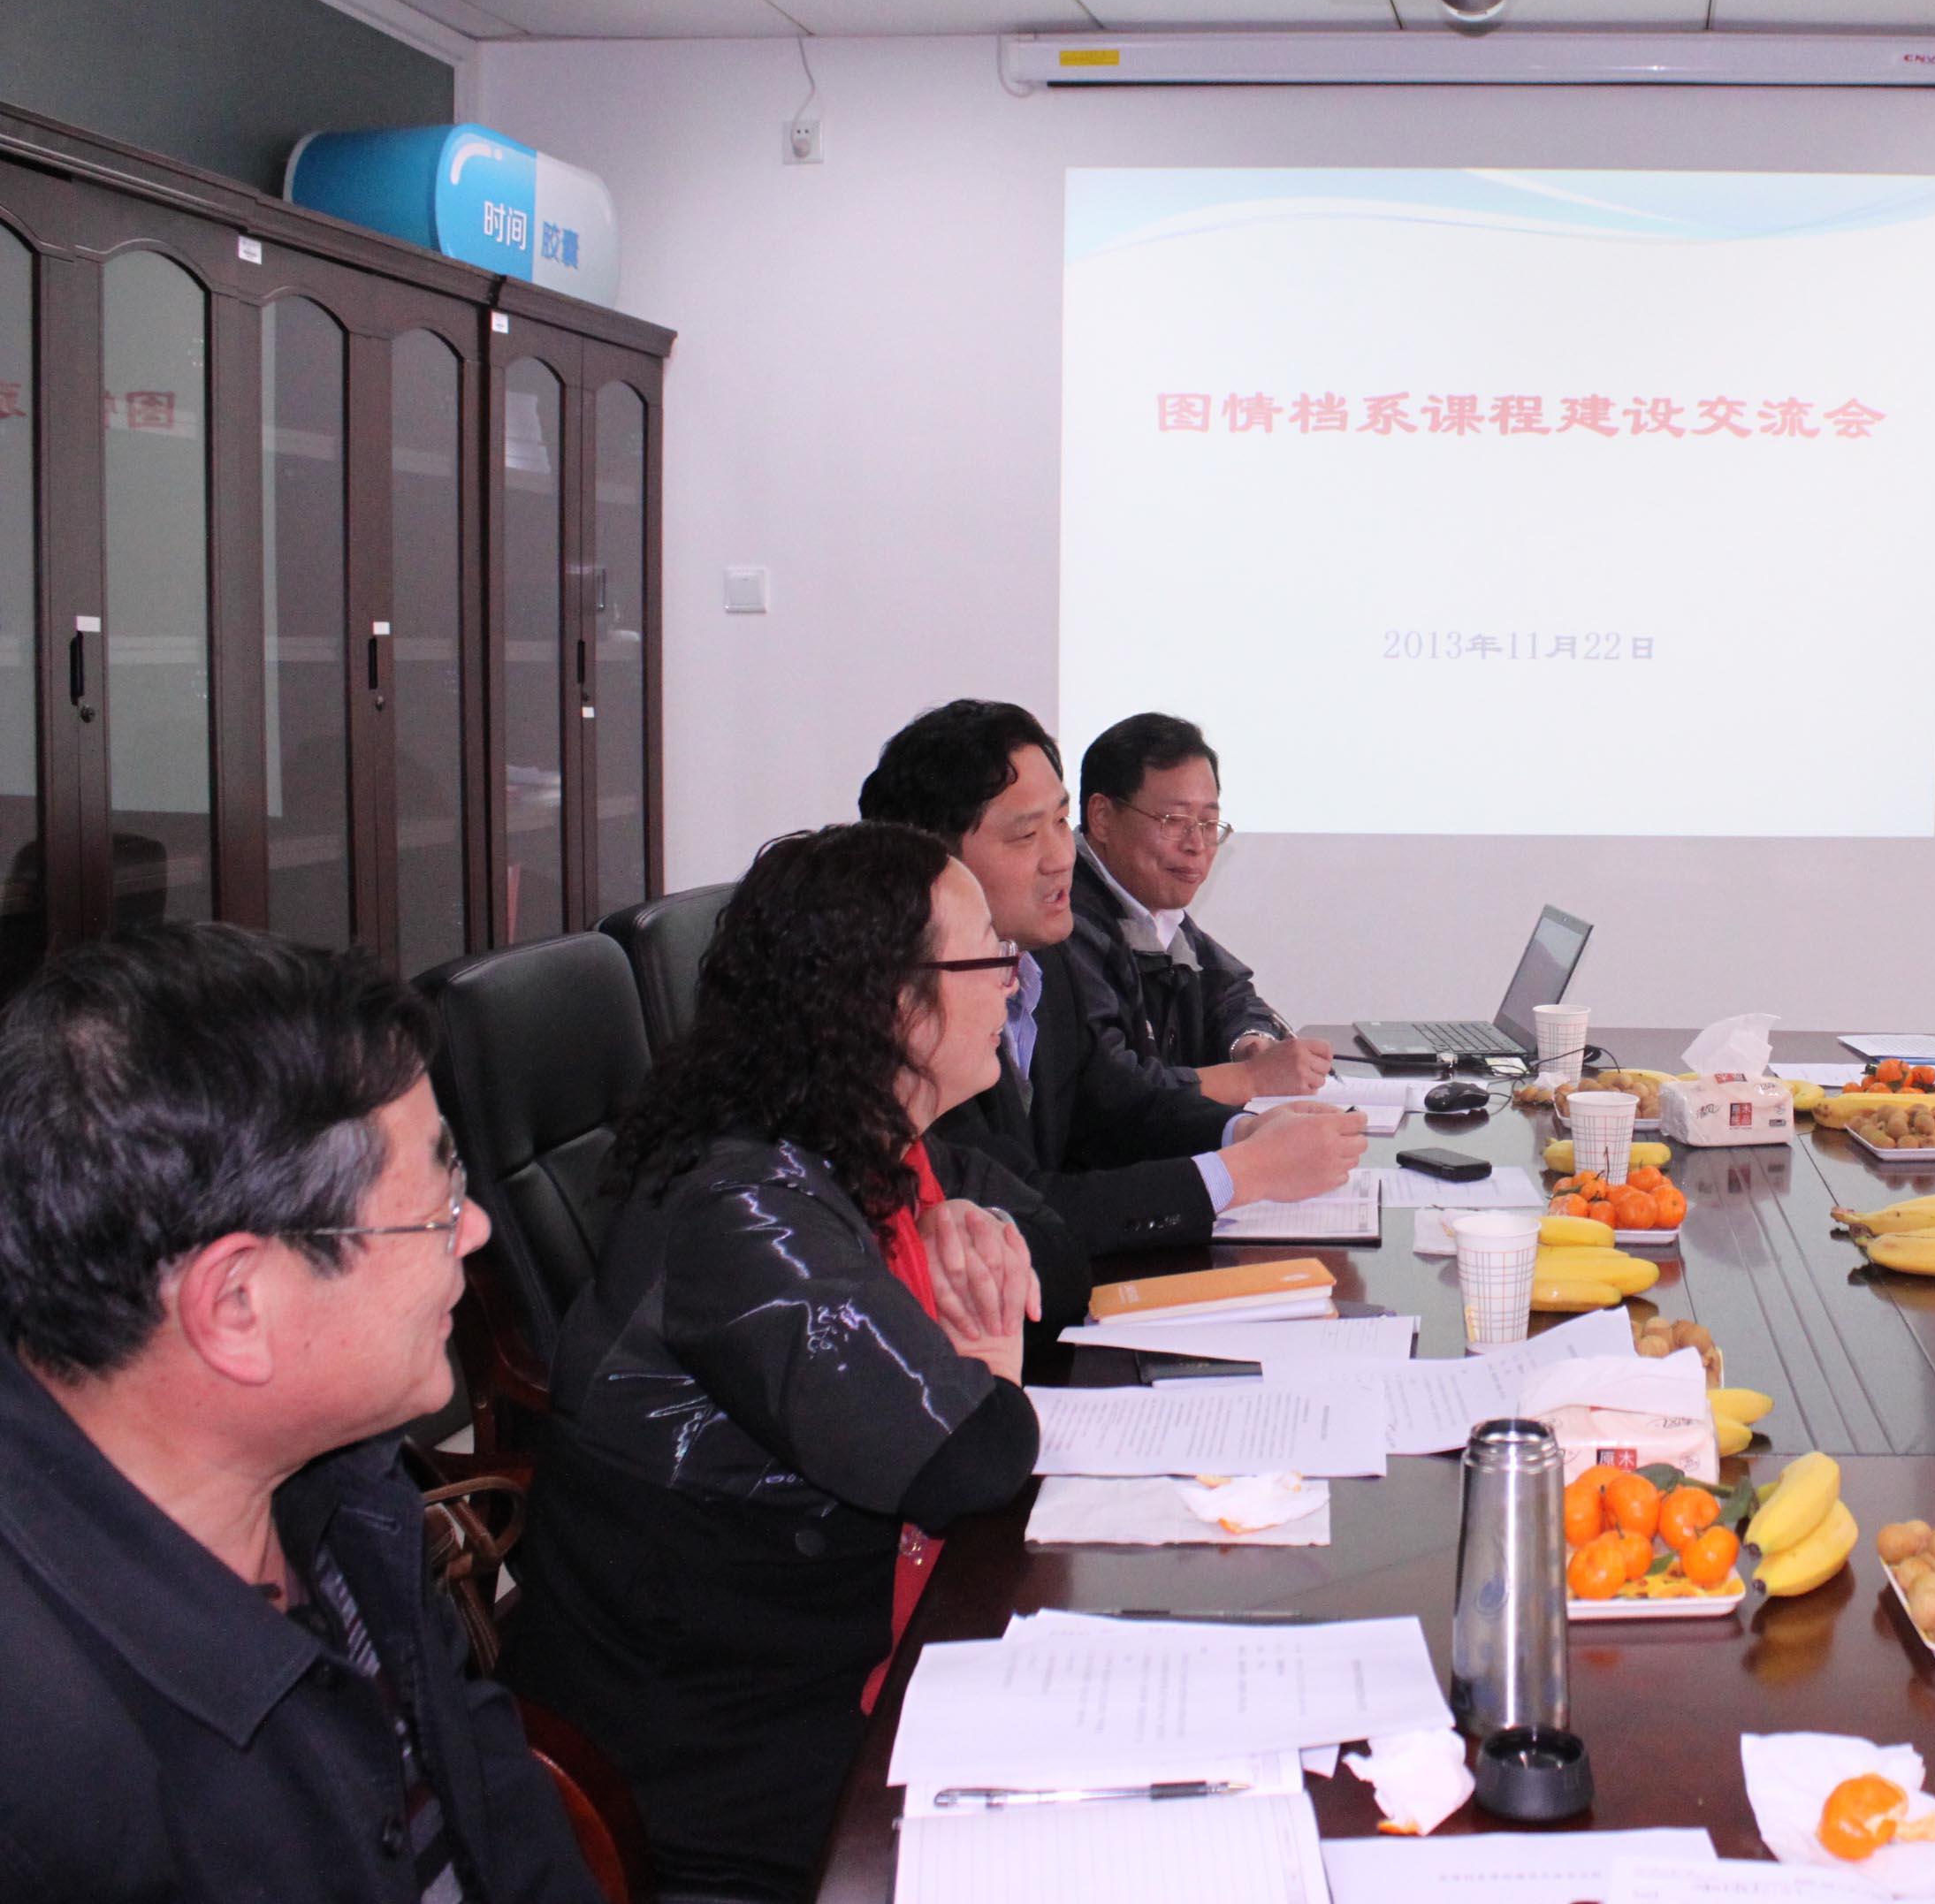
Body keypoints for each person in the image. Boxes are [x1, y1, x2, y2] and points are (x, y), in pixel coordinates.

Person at [502, 824, 1084, 1900]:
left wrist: (982, 1291)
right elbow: (970, 1456)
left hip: (808, 1658)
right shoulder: (743, 1205)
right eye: (990, 958)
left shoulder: (855, 1145)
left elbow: (1058, 1258)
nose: (1015, 982)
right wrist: (990, 1352)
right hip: (731, 1750)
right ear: (895, 1005)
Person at [0, 924, 599, 1904]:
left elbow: (496, 1806)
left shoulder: (342, 1479)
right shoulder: (46, 1773)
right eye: (437, 1207)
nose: (479, 1229)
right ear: (237, 1304)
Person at [859, 699, 1367, 1257]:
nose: (1061, 858)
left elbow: (1113, 1109)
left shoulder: (1042, 959)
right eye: (1026, 835)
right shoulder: (904, 1013)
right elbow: (1012, 1211)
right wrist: (1241, 1173)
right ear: (933, 860)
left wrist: (1242, 1132)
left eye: (1060, 822)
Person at [1070, 711, 1333, 1105]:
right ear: (1103, 817)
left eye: (1209, 824)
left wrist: (1250, 1044)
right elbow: (1110, 1090)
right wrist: (1251, 1078)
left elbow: (1229, 995)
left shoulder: (1155, 912)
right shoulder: (1063, 920)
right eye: (1174, 820)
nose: (1196, 845)